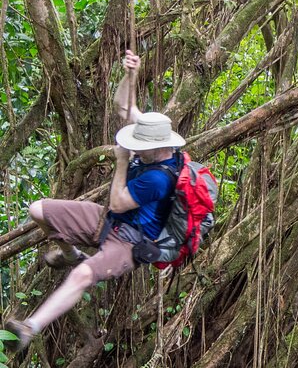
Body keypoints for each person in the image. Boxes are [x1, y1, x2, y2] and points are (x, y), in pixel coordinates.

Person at [5, 51, 185, 353]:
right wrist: (131, 75)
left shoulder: (158, 178)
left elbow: (116, 202)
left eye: (142, 148)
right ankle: (72, 253)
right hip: (109, 220)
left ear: (159, 147)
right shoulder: (158, 141)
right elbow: (124, 108)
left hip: (130, 242)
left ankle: (29, 329)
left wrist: (122, 161)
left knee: (82, 276)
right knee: (38, 210)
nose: (137, 149)